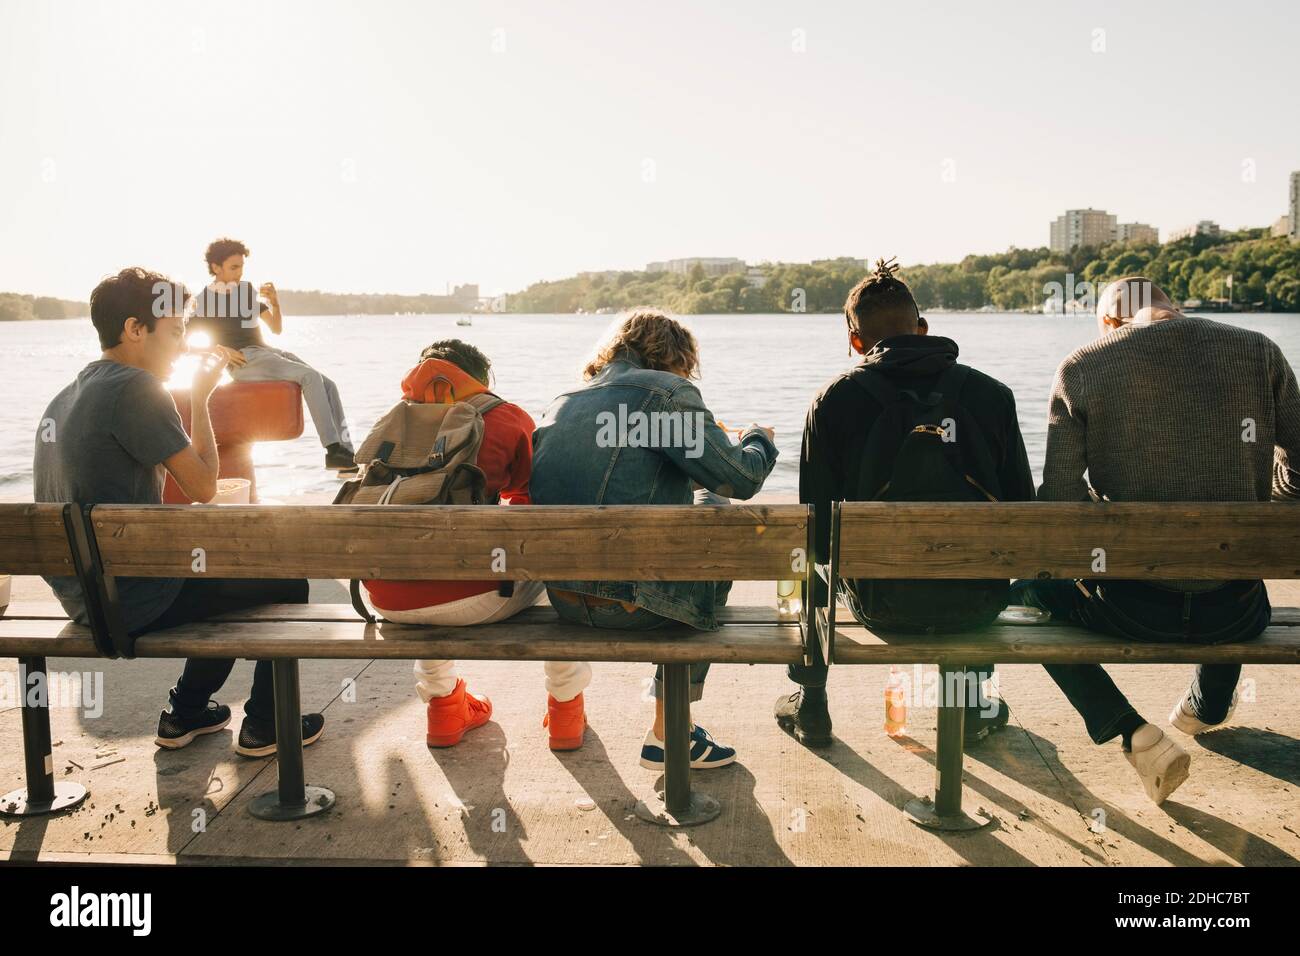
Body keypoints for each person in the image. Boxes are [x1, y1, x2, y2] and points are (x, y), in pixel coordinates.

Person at [1019, 276, 1300, 804]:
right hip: (1237, 610)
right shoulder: (1258, 352)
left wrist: (1110, 531)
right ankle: (1208, 706)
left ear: (1108, 324)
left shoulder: (1084, 366)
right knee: (1224, 547)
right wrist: (1268, 507)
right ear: (1177, 307)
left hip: (1131, 609)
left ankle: (1133, 732)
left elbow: (1058, 500)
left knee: (1030, 589)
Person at [34, 267, 324, 758]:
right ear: (134, 330)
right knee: (286, 581)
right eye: (174, 332)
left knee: (223, 580)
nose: (182, 343)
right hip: (128, 604)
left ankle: (187, 712)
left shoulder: (64, 397)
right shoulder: (137, 388)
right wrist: (202, 398)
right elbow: (205, 487)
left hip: (81, 598)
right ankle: (266, 723)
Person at [776, 258, 1035, 748]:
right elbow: (1021, 512)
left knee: (802, 559)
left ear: (856, 341)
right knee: (980, 550)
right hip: (976, 606)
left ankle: (812, 705)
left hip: (883, 606)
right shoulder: (992, 396)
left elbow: (816, 531)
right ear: (923, 328)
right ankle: (972, 704)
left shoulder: (832, 402)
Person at [530, 310, 780, 770]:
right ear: (676, 356)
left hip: (566, 600)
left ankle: (673, 729)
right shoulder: (667, 393)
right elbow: (739, 479)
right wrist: (756, 439)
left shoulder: (561, 401)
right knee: (714, 518)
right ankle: (671, 731)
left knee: (692, 512)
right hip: (633, 607)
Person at [361, 340, 592, 749]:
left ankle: (445, 709)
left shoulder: (391, 424)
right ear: (481, 381)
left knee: (417, 564)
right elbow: (534, 504)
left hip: (385, 597)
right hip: (478, 599)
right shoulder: (505, 416)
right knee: (560, 571)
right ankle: (565, 709)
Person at [189, 237, 356, 470]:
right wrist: (220, 350)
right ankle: (333, 450)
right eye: (233, 267)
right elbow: (183, 343)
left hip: (267, 353)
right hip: (246, 361)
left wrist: (275, 304)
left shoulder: (246, 291)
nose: (239, 273)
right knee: (309, 377)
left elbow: (275, 328)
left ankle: (347, 456)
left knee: (328, 384)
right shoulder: (204, 299)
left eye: (241, 267)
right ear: (216, 268)